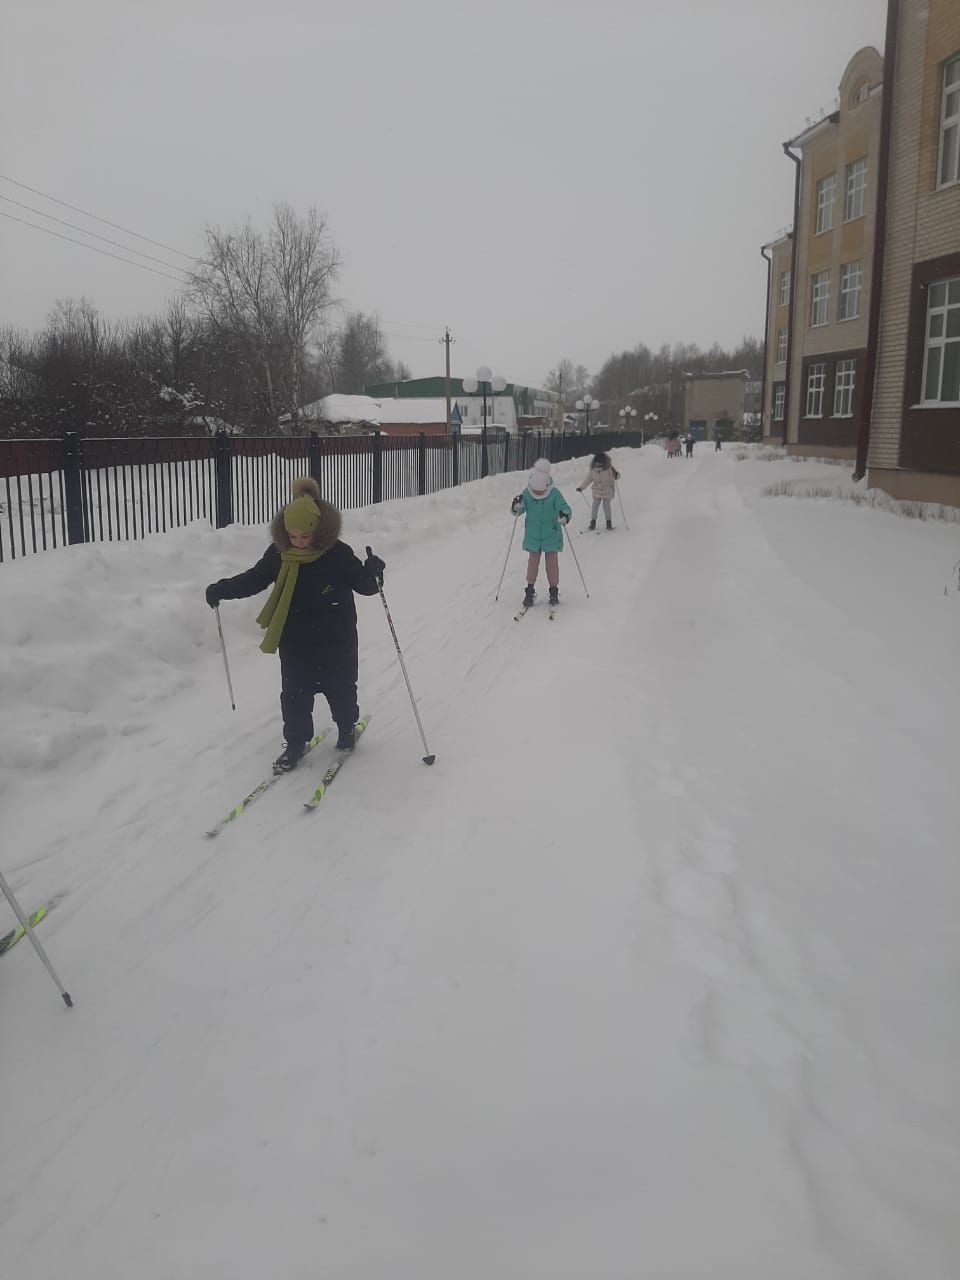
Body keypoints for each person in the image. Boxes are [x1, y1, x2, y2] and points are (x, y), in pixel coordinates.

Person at [204, 477, 385, 772]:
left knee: (340, 687)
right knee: (294, 694)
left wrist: (374, 571)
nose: (298, 541)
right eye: (293, 535)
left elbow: (366, 585)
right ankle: (296, 743)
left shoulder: (337, 554)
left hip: (335, 637)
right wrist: (221, 589)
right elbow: (255, 578)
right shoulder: (279, 553)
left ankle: (346, 727)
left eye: (305, 536)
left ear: (319, 531)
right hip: (296, 637)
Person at [510, 457, 572, 608]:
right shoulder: (528, 492)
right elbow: (520, 509)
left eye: (540, 490)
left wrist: (564, 515)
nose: (538, 493)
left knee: (551, 565)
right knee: (532, 564)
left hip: (551, 534)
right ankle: (530, 591)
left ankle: (553, 590)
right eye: (536, 490)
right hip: (533, 536)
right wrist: (516, 506)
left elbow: (565, 507)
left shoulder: (554, 493)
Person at [576, 451, 620, 530]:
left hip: (607, 490)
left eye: (600, 464)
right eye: (597, 463)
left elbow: (617, 476)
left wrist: (616, 475)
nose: (598, 465)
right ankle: (593, 522)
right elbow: (588, 479)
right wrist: (581, 487)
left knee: (606, 507)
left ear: (603, 463)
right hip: (597, 491)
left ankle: (608, 523)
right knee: (595, 507)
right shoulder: (593, 470)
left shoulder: (609, 468)